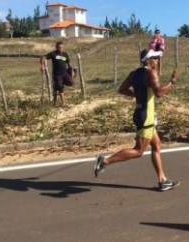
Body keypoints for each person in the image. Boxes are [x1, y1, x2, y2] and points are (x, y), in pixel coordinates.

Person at [94, 49, 180, 191]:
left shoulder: (134, 74)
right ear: (147, 60)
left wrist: (137, 96)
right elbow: (159, 93)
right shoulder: (151, 73)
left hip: (141, 113)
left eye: (157, 58)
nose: (157, 61)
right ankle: (104, 161)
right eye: (155, 58)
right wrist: (172, 82)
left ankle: (163, 180)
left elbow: (122, 89)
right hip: (146, 117)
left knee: (156, 146)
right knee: (139, 151)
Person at [40, 41, 76, 107]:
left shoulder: (65, 54)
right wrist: (42, 66)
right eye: (59, 47)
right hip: (57, 74)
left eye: (62, 47)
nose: (61, 49)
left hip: (65, 73)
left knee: (71, 82)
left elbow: (68, 63)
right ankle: (63, 102)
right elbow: (43, 57)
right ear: (56, 47)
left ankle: (62, 82)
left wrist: (72, 70)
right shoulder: (53, 54)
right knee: (60, 87)